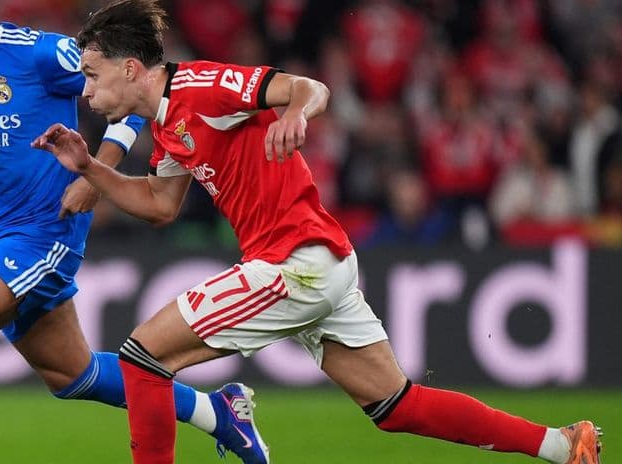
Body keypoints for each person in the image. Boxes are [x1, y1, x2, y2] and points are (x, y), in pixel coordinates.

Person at [32, 1, 604, 463]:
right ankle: (562, 445)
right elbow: (158, 204)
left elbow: (307, 86)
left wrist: (294, 112)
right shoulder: (170, 122)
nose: (86, 91)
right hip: (316, 263)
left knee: (141, 357)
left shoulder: (205, 86)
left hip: (294, 263)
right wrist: (89, 168)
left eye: (91, 74)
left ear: (131, 69)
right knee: (395, 407)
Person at [0, 1, 267, 462]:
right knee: (75, 376)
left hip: (43, 232)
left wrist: (96, 177)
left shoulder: (41, 54)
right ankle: (219, 411)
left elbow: (133, 98)